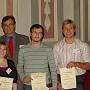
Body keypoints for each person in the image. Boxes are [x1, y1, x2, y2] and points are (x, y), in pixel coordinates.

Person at [17, 24, 57, 90]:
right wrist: (23, 78)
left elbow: (53, 68)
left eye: (39, 33)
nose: (37, 35)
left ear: (42, 35)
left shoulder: (48, 49)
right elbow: (19, 66)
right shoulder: (23, 49)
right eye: (34, 32)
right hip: (29, 85)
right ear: (30, 34)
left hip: (45, 84)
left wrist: (54, 86)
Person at [53, 19, 90, 90]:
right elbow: (53, 67)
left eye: (71, 28)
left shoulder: (83, 46)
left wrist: (76, 64)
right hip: (62, 79)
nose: (68, 31)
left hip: (78, 79)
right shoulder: (57, 47)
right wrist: (57, 83)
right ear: (62, 30)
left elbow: (89, 66)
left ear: (75, 30)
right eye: (66, 28)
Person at [0, 15, 29, 90]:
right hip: (4, 80)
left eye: (10, 24)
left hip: (21, 78)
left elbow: (28, 58)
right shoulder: (0, 40)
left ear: (15, 25)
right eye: (5, 25)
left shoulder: (25, 39)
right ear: (2, 27)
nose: (8, 27)